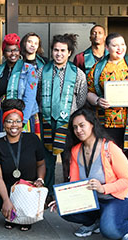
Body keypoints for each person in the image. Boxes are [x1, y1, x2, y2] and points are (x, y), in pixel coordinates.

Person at [49, 107, 128, 240]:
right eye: (75, 127)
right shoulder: (75, 151)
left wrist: (103, 188)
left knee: (109, 231)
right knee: (63, 209)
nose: (78, 130)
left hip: (115, 198)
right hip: (91, 200)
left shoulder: (109, 148)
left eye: (82, 125)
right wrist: (63, 198)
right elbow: (75, 182)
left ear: (92, 124)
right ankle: (93, 221)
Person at [86, 33, 128, 207]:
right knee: (110, 161)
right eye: (115, 45)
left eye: (122, 44)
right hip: (108, 123)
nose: (120, 48)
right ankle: (111, 198)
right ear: (107, 48)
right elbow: (88, 91)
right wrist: (97, 101)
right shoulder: (99, 67)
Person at [39, 34, 88, 196]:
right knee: (47, 159)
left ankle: (69, 193)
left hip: (69, 122)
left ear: (69, 52)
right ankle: (47, 192)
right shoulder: (41, 71)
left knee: (70, 158)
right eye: (55, 50)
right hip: (46, 119)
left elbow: (81, 99)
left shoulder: (78, 74)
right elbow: (37, 95)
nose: (59, 54)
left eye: (62, 50)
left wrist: (69, 112)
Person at [0, 99, 45, 231]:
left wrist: (40, 179)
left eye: (18, 121)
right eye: (9, 121)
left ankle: (25, 218)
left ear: (22, 123)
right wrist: (6, 200)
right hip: (8, 187)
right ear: (4, 123)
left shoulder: (32, 139)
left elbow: (41, 164)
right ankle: (11, 215)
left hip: (29, 186)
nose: (14, 125)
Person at [0, 33, 41, 136]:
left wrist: (21, 121)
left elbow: (30, 97)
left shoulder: (28, 69)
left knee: (23, 147)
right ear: (4, 53)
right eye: (9, 50)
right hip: (2, 114)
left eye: (16, 50)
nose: (13, 53)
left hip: (23, 114)